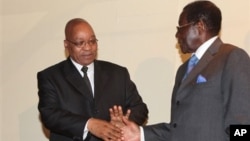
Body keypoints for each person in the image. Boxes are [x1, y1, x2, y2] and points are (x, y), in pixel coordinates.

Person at [110, 1, 250, 141]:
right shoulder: (183, 70)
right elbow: (178, 128)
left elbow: (242, 122)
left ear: (199, 26)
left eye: (180, 27)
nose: (177, 35)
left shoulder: (231, 57)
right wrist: (140, 134)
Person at [37, 18, 148, 141]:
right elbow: (50, 115)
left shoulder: (118, 73)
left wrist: (123, 123)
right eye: (80, 43)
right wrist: (89, 124)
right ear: (66, 44)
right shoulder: (51, 77)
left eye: (92, 41)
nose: (88, 47)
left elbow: (140, 108)